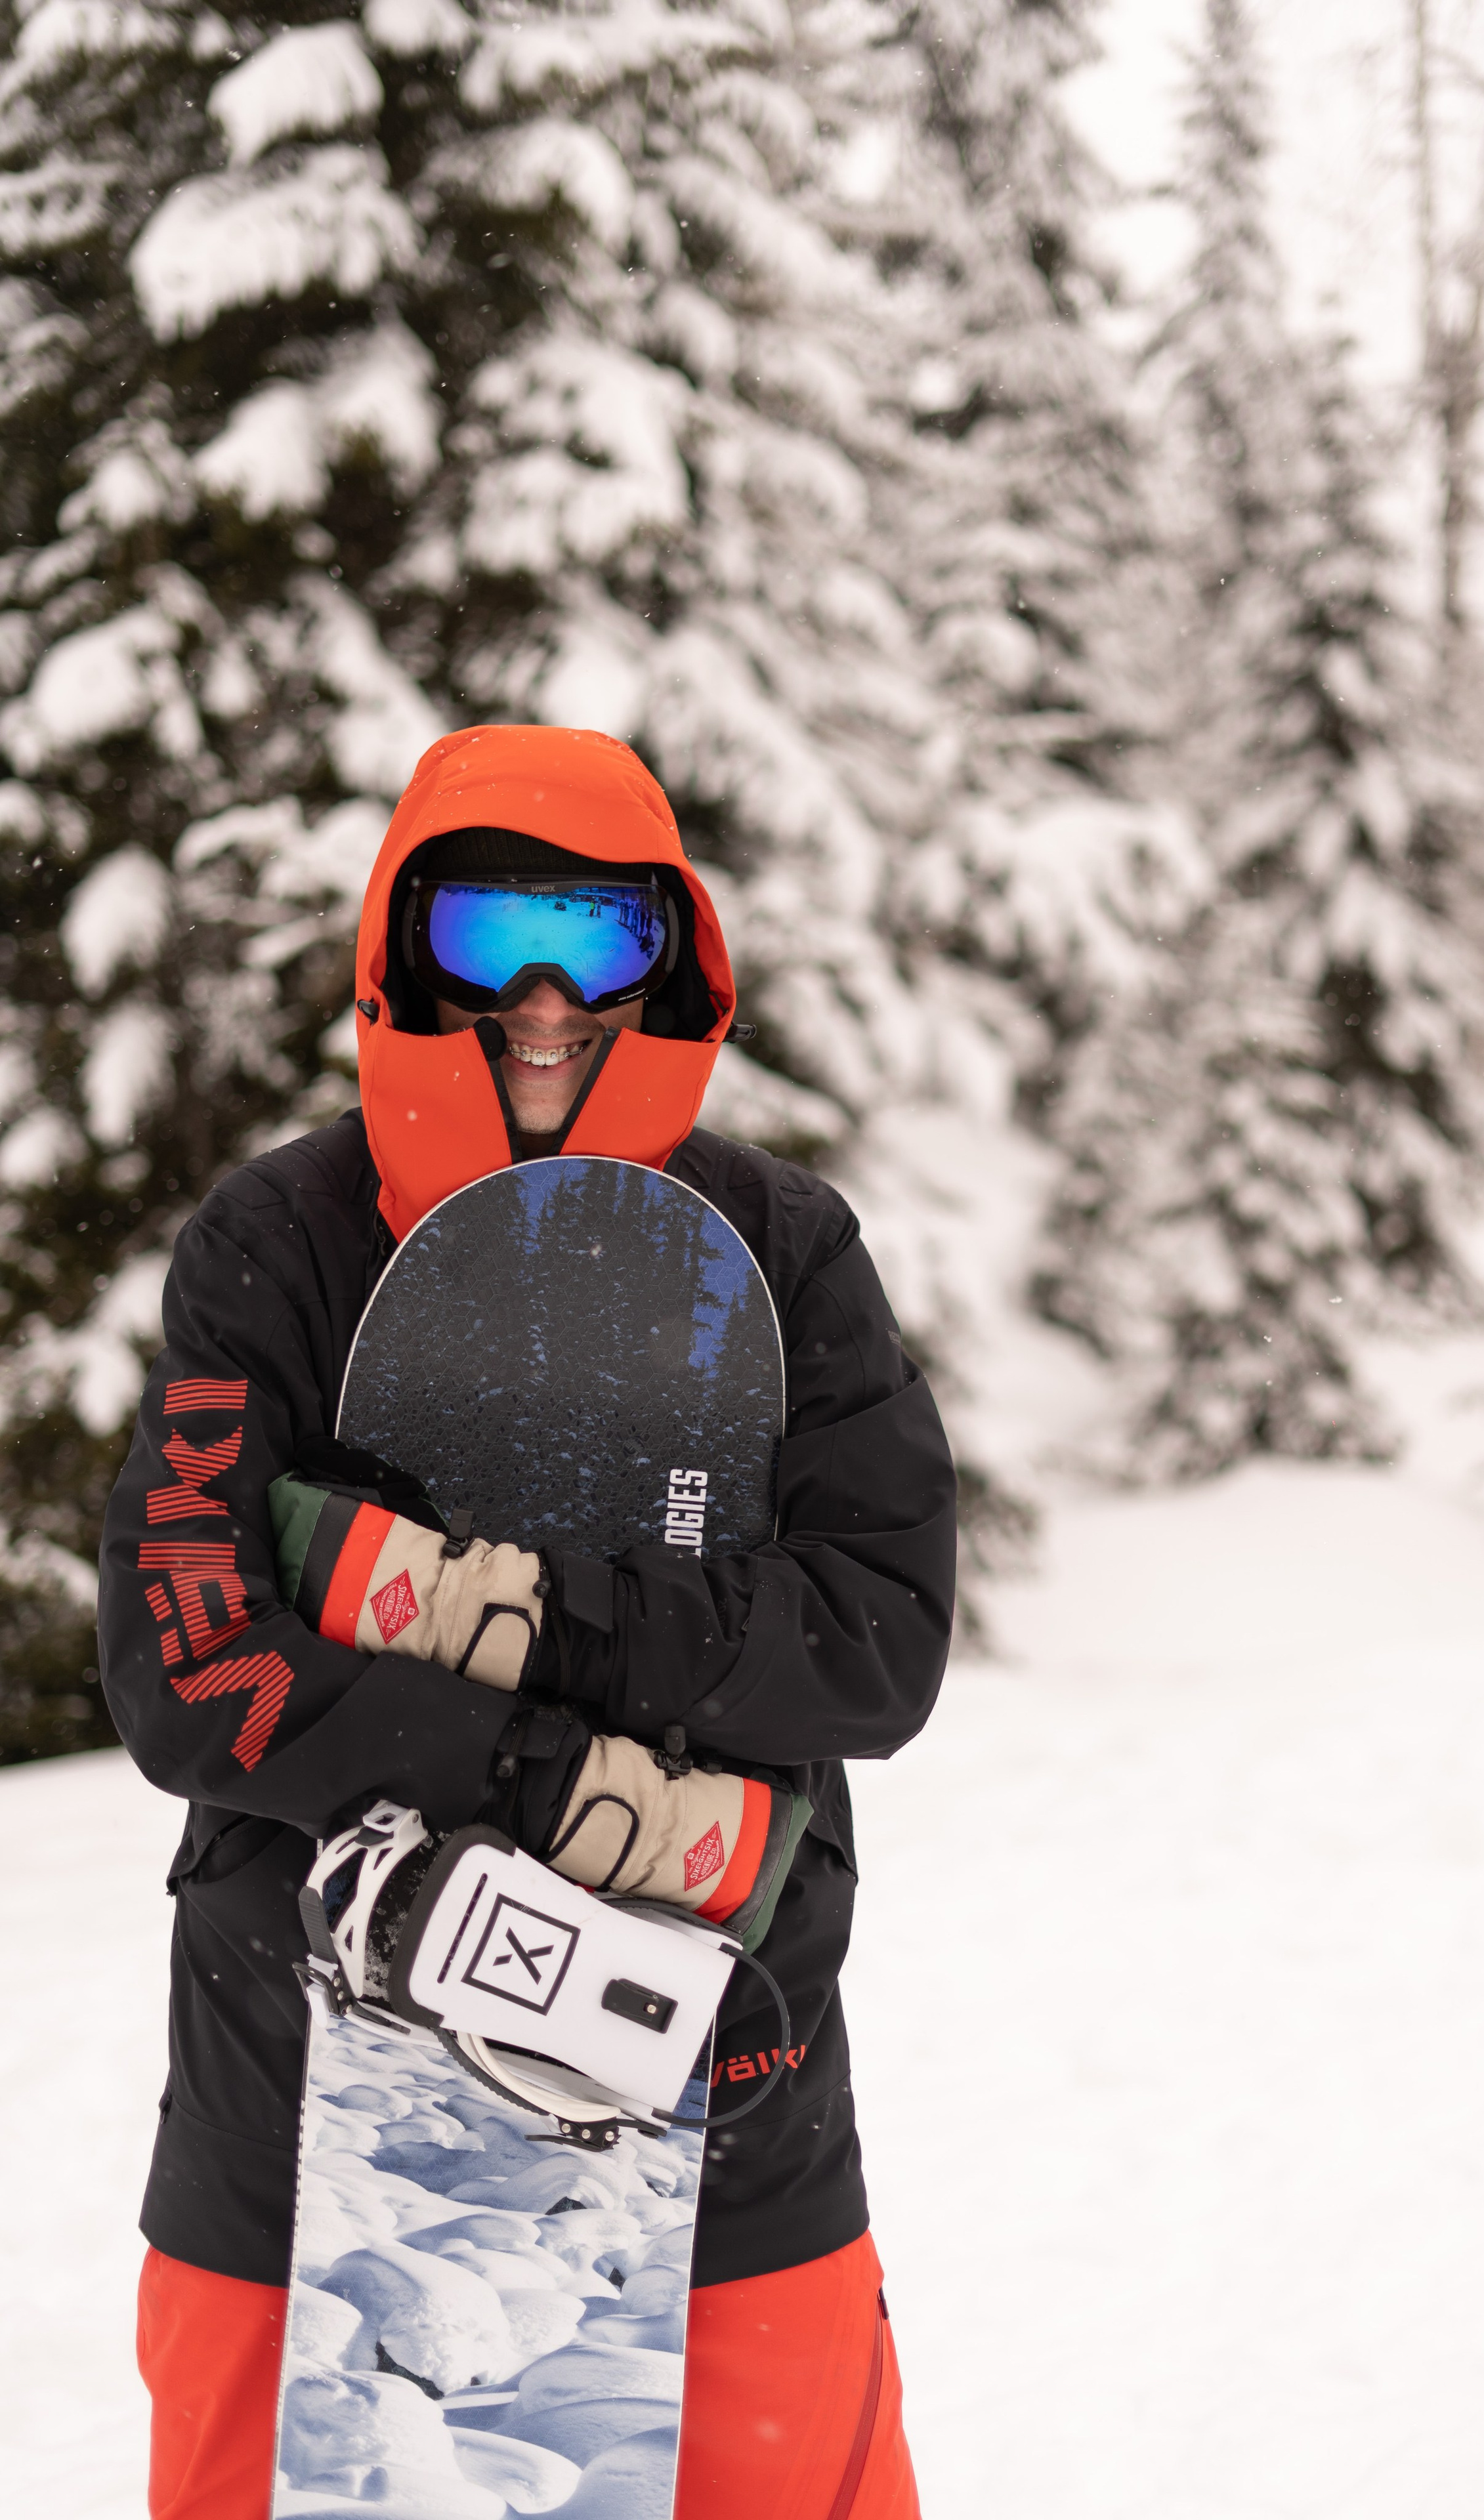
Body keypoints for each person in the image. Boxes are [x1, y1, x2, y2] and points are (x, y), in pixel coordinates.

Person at [100, 724, 958, 2520]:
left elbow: (877, 1637)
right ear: (404, 960)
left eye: (604, 942)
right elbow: (192, 1666)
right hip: (306, 2127)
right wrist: (558, 1772)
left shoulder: (783, 1251)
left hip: (723, 2095)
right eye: (489, 942)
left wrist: (517, 1614)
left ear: (677, 961)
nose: (547, 1001)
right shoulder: (277, 1245)